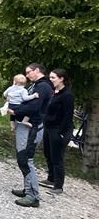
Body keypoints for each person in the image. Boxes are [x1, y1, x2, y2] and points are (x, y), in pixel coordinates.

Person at [8, 63, 53, 206]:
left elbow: (34, 106)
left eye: (29, 72)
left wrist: (15, 111)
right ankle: (28, 188)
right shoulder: (35, 85)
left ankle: (33, 196)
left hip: (33, 127)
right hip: (25, 125)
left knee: (26, 158)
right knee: (22, 157)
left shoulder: (43, 86)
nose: (27, 75)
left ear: (37, 70)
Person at [41, 68, 74, 197]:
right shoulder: (54, 92)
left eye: (53, 77)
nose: (51, 80)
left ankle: (58, 186)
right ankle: (51, 178)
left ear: (61, 79)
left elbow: (68, 115)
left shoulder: (67, 95)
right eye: (50, 77)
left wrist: (61, 132)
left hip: (59, 129)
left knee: (57, 157)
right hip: (49, 127)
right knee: (48, 153)